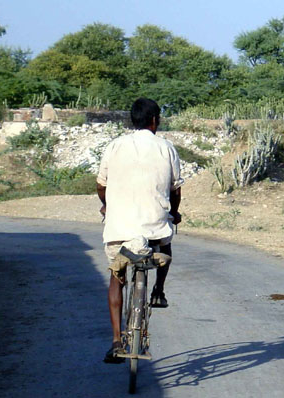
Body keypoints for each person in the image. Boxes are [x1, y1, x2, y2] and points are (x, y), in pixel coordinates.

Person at [97, 98, 184, 363]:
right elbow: (175, 190)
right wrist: (174, 211)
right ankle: (158, 289)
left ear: (131, 121)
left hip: (119, 227)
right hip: (153, 228)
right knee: (166, 241)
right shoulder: (166, 148)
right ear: (155, 120)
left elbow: (101, 185)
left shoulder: (114, 147)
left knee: (116, 276)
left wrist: (106, 205)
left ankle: (115, 340)